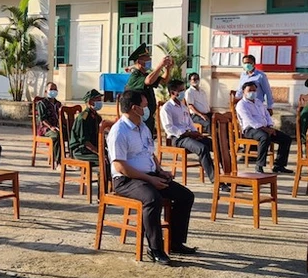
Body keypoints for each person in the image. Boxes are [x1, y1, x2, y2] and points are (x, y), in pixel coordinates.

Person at [107, 89, 196, 265]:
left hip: (149, 175)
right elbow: (120, 166)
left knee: (185, 196)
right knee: (153, 199)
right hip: (126, 180)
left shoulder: (143, 127)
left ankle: (175, 242)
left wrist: (160, 171)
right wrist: (150, 180)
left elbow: (149, 153)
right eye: (145, 105)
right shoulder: (119, 131)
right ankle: (155, 249)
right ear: (135, 108)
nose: (148, 109)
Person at [160, 80, 215, 182]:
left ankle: (226, 175)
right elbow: (169, 128)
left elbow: (190, 123)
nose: (183, 93)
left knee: (214, 145)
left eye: (183, 90)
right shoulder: (167, 108)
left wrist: (196, 133)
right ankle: (215, 179)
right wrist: (187, 133)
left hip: (190, 135)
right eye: (180, 90)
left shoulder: (183, 107)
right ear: (173, 92)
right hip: (178, 138)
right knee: (202, 148)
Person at [236, 80, 292, 174]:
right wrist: (265, 129)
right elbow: (249, 120)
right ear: (243, 92)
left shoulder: (258, 102)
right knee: (264, 137)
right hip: (250, 129)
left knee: (286, 139)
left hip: (265, 127)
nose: (252, 93)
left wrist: (270, 126)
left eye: (254, 90)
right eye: (249, 90)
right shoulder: (241, 105)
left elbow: (266, 115)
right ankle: (259, 165)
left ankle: (279, 165)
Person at [124, 44, 172, 135]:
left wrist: (168, 68)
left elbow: (164, 80)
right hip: (138, 117)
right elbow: (148, 81)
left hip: (147, 117)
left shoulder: (146, 75)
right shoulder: (135, 75)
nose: (149, 61)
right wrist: (160, 65)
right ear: (139, 62)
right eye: (147, 59)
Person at [70, 89, 104, 165]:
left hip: (92, 148)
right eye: (98, 100)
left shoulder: (97, 117)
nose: (100, 102)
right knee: (103, 160)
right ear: (90, 102)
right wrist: (98, 152)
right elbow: (85, 141)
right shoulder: (83, 118)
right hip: (81, 150)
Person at [36, 82, 64, 165]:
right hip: (46, 129)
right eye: (51, 89)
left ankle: (71, 159)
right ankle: (57, 161)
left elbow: (61, 117)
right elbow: (43, 119)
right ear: (46, 91)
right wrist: (51, 127)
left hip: (57, 127)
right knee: (57, 135)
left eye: (55, 89)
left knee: (71, 133)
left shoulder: (58, 104)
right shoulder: (42, 103)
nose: (53, 91)